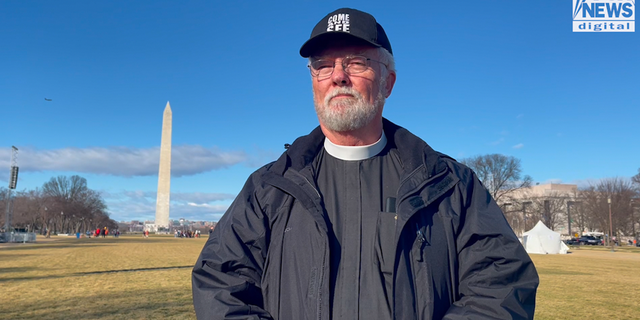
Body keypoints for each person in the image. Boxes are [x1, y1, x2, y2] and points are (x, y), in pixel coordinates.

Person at [192, 8, 538, 320]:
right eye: (323, 65)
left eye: (357, 62)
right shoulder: (269, 189)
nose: (338, 76)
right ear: (313, 81)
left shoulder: (450, 185)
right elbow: (221, 283)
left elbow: (501, 284)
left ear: (388, 81)